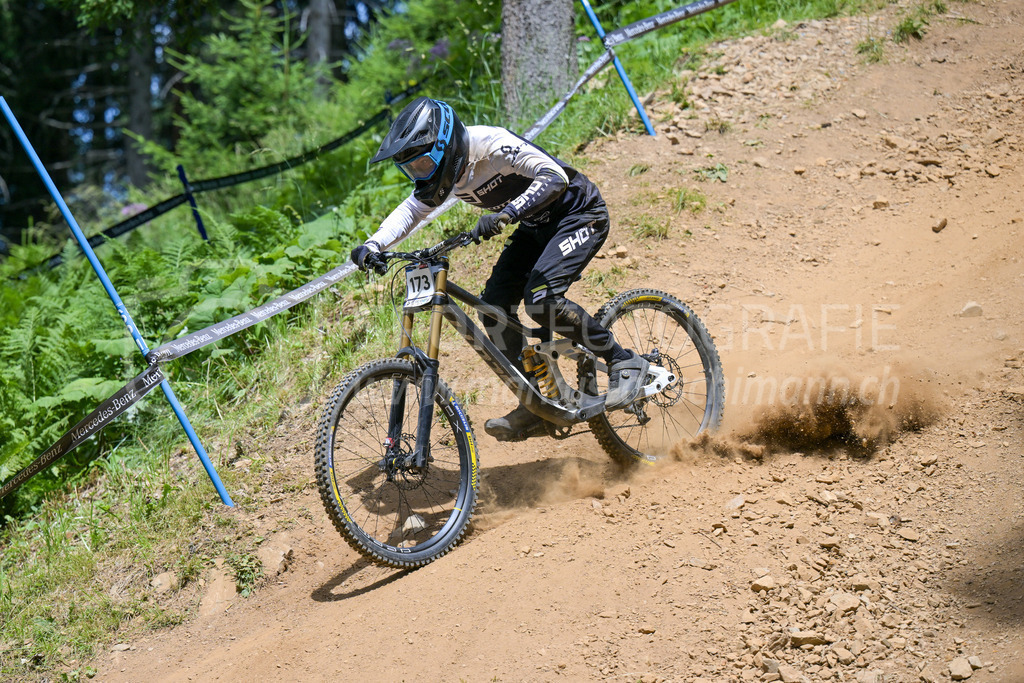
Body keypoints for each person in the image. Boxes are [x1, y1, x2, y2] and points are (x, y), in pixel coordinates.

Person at [350, 96, 648, 442]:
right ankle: (538, 400)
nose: (421, 175)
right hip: (535, 227)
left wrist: (507, 214)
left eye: (423, 164)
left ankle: (623, 360)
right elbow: (410, 211)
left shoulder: (492, 146)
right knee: (493, 309)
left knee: (541, 301)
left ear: (447, 145)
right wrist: (373, 245)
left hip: (578, 213)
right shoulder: (448, 172)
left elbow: (554, 178)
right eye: (412, 169)